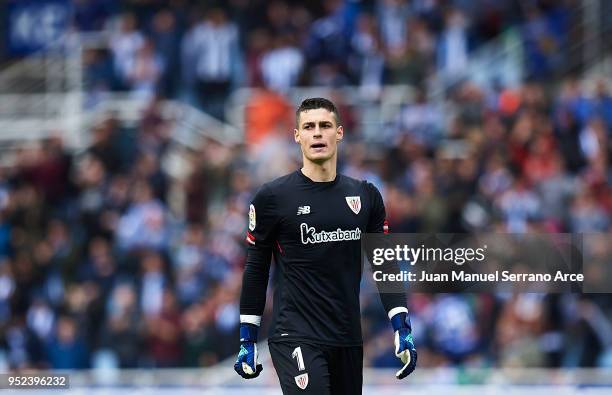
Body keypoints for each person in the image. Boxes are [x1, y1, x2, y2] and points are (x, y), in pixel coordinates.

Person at [234, 98, 417, 394]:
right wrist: (247, 338)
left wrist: (401, 324)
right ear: (297, 136)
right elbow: (256, 268)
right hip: (295, 333)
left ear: (339, 133)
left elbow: (384, 263)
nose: (317, 133)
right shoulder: (272, 198)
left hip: (347, 337)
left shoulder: (366, 196)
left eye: (325, 126)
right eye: (309, 126)